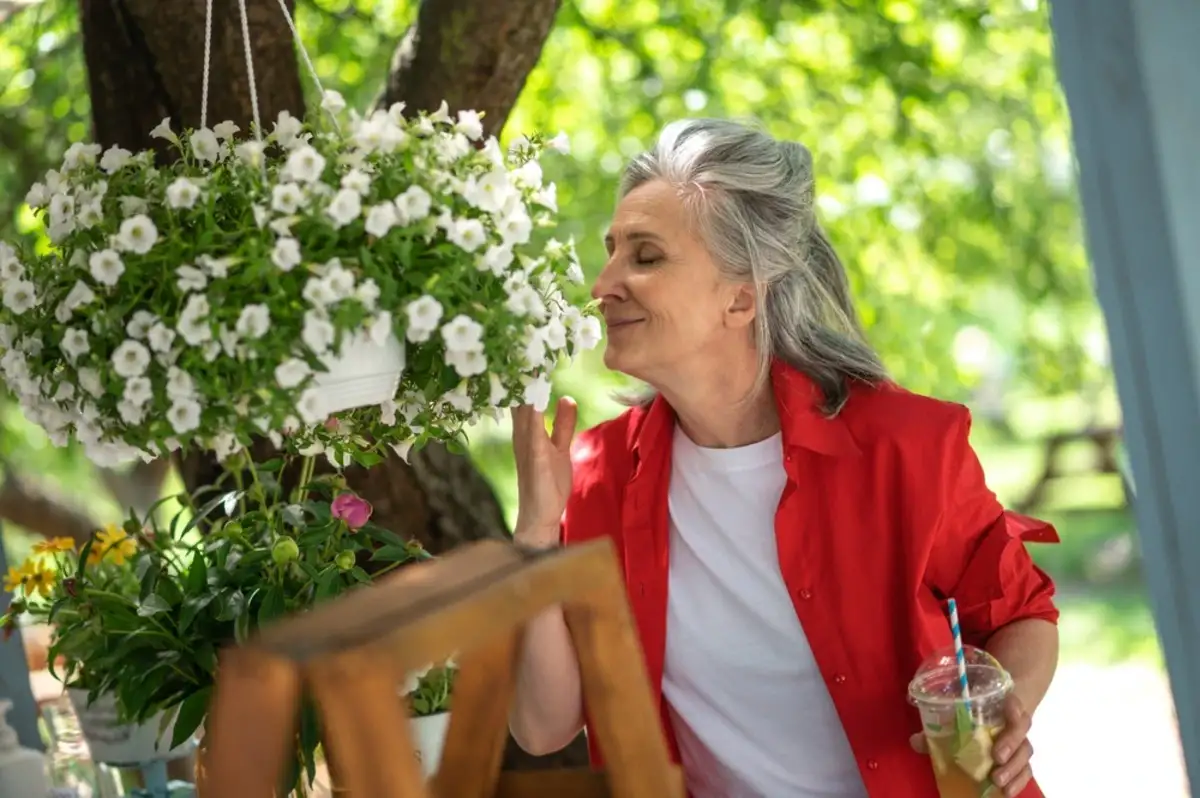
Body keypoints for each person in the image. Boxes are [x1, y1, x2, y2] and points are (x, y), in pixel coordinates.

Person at [507, 118, 1060, 798]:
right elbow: (543, 727)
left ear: (741, 297)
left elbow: (1022, 614)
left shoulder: (902, 447)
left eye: (645, 257)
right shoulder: (598, 473)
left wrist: (1008, 709)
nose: (603, 284)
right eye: (612, 252)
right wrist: (535, 539)